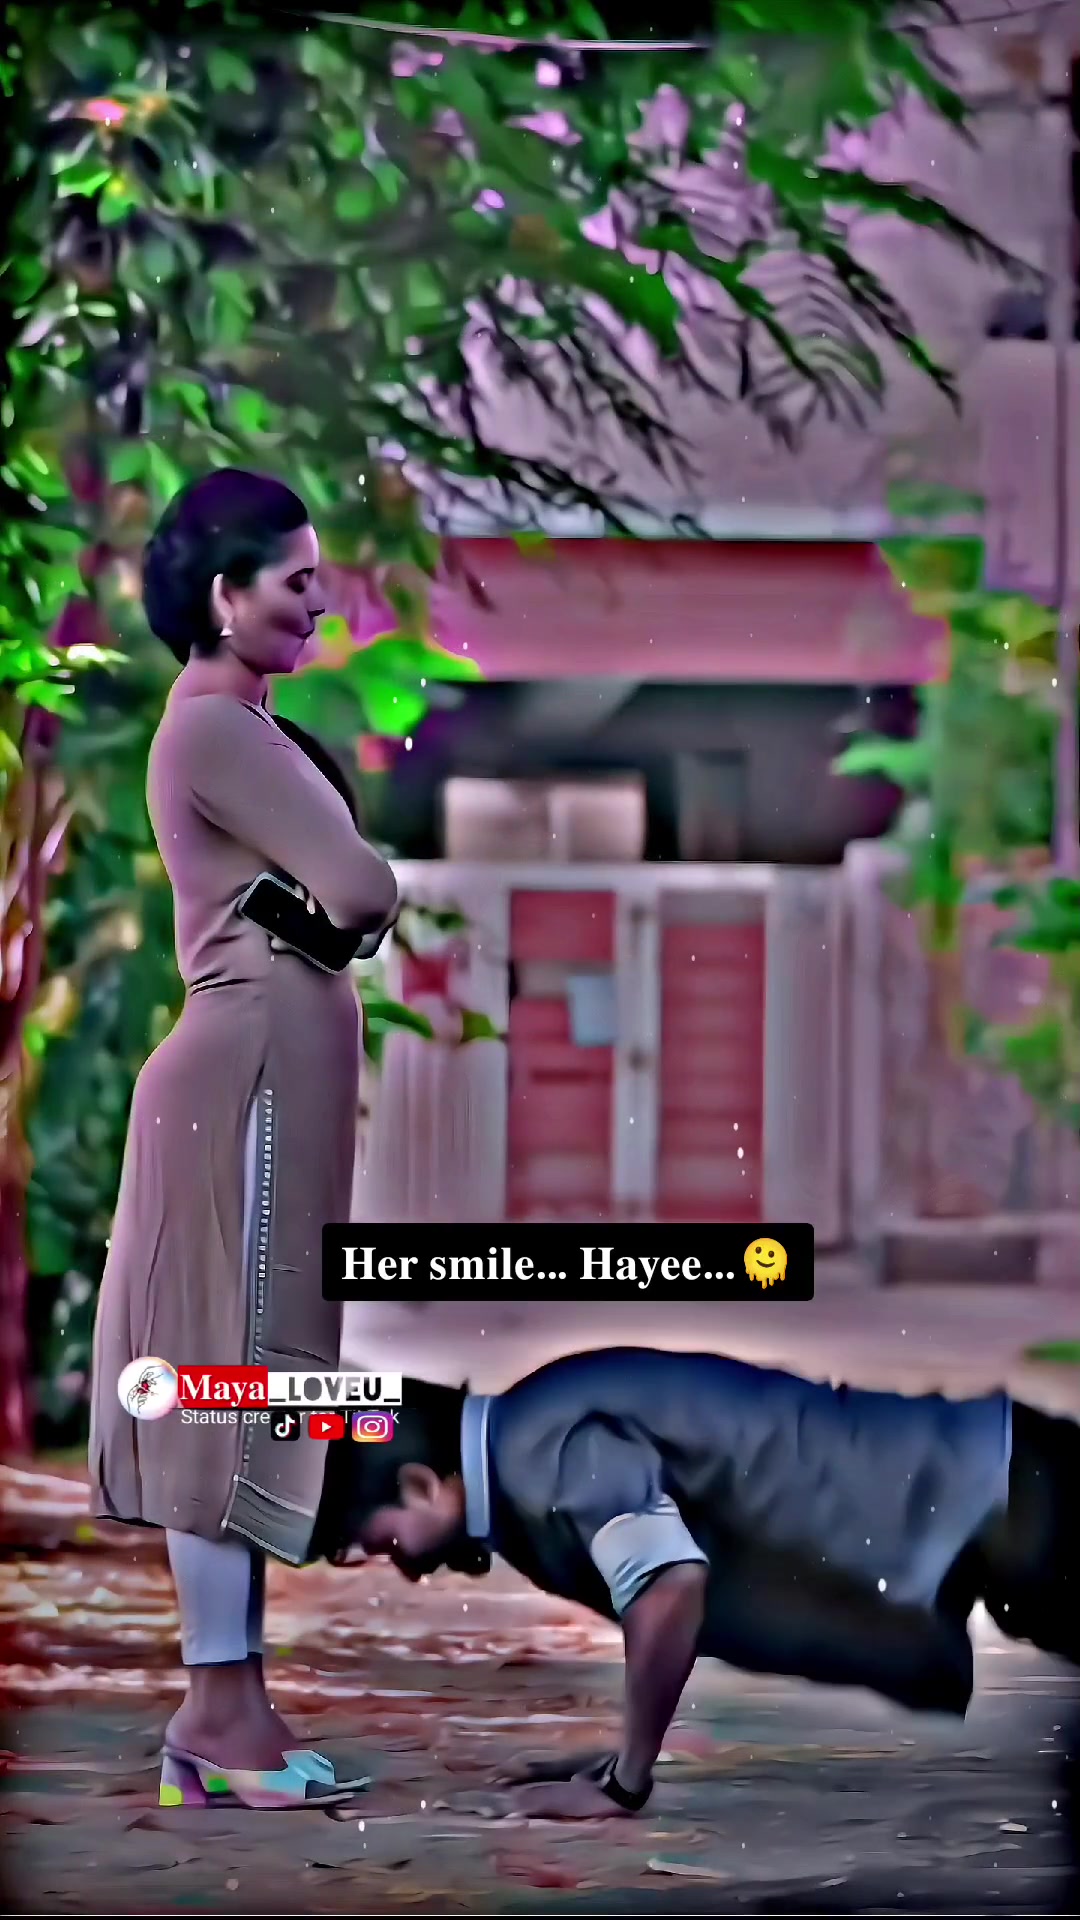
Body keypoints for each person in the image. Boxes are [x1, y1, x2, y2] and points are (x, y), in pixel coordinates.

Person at [87, 469, 398, 1810]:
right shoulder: (217, 727)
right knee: (227, 1378)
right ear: (224, 595)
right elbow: (361, 886)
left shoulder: (244, 725)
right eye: (296, 581)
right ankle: (219, 1715)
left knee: (256, 1377)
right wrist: (353, 902)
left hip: (262, 1074)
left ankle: (228, 1711)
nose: (320, 603)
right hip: (243, 1081)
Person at [316, 1346, 1078, 1821]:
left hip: (1016, 1506)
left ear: (420, 1485)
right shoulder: (530, 1427)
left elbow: (668, 1587)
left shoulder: (540, 1452)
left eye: (371, 1537)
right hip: (997, 1499)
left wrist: (623, 1783)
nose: (382, 1560)